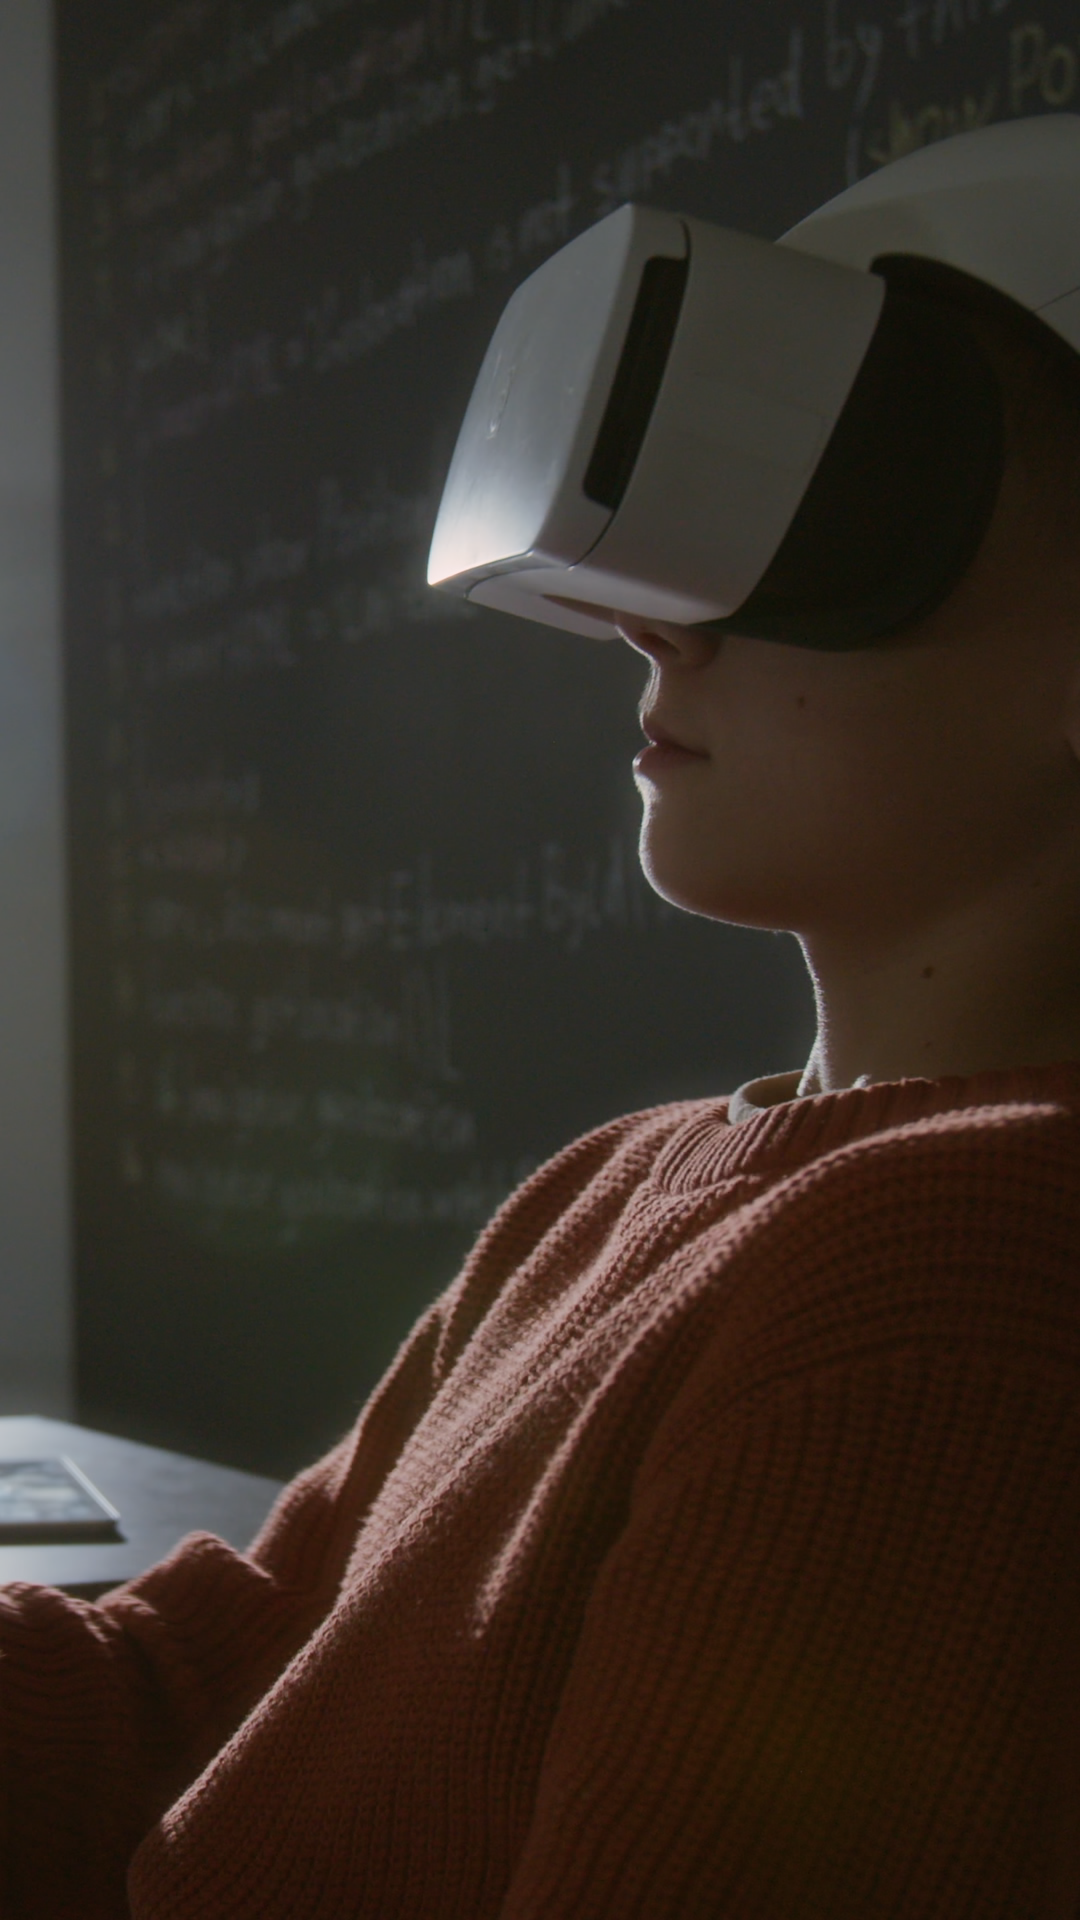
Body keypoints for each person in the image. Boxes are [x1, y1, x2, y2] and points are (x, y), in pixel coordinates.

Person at [9, 129, 1080, 1919]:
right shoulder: (617, 1188)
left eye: (836, 518)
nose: (668, 632)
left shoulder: (961, 1279)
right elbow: (198, 1693)